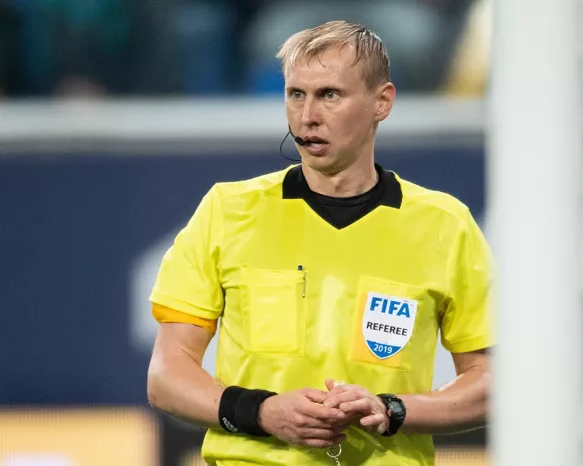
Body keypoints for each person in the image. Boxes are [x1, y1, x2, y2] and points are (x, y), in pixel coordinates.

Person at [147, 20, 492, 465]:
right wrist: (263, 412)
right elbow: (166, 376)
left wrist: (393, 410)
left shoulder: (445, 224)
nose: (307, 116)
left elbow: (489, 383)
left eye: (329, 95)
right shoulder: (227, 211)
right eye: (296, 94)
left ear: (382, 102)